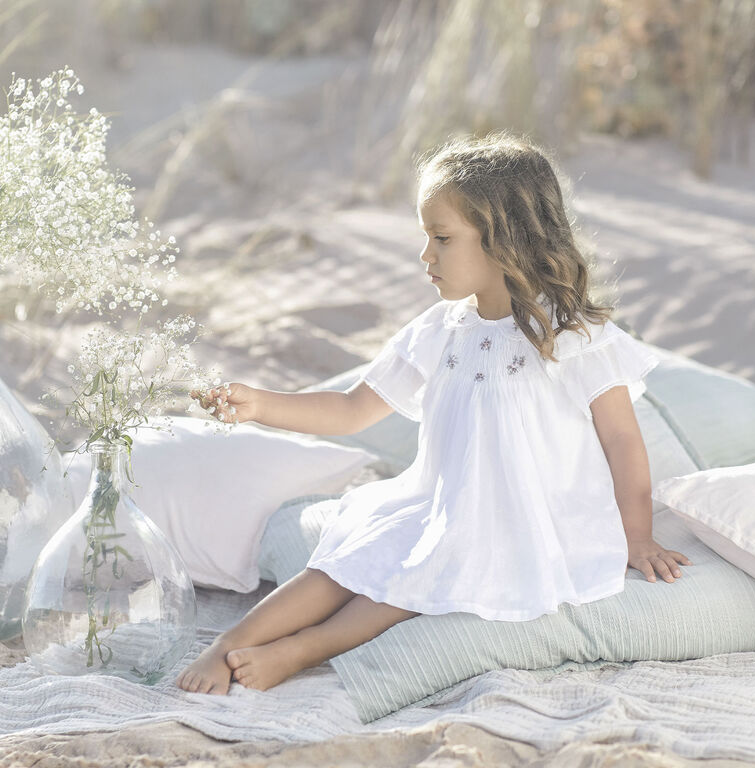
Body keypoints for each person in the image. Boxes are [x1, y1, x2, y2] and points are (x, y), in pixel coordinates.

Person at [175, 131, 692, 696]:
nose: (427, 257)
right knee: (344, 562)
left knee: (403, 581)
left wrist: (636, 536)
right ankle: (225, 645)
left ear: (505, 241)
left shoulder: (571, 334)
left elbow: (622, 440)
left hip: (529, 516)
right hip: (443, 500)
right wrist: (261, 406)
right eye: (426, 237)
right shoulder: (439, 330)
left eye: (441, 238)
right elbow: (352, 410)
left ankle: (301, 649)